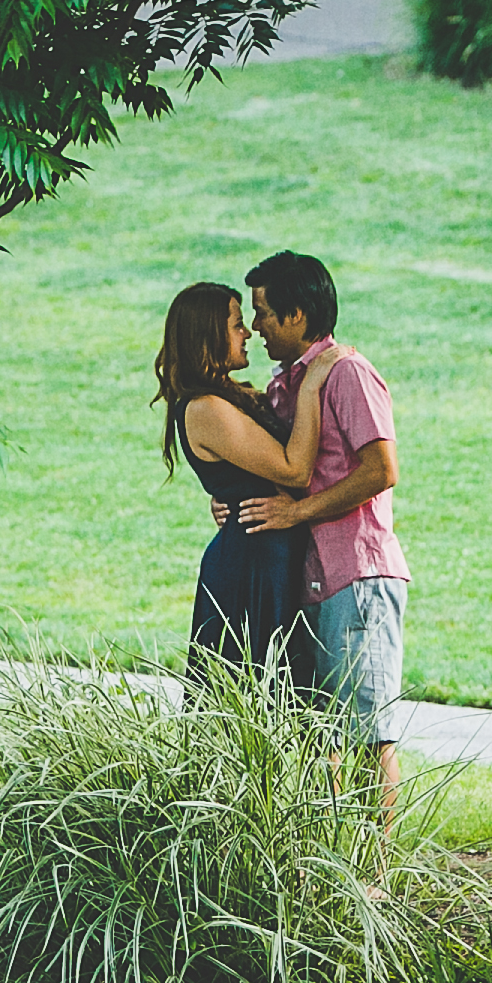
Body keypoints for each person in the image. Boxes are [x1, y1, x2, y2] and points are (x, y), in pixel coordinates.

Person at [225, 251, 410, 816]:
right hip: (309, 580)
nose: (255, 326)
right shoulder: (291, 383)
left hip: (357, 577)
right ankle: (333, 870)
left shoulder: (347, 373)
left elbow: (381, 470)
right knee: (323, 737)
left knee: (369, 737)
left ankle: (375, 875)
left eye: (262, 313)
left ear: (297, 315)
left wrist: (295, 514)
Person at [152, 279, 321, 686]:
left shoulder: (224, 399)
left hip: (268, 556)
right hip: (252, 568)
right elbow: (294, 469)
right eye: (236, 324)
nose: (247, 333)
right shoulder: (205, 407)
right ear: (208, 335)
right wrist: (315, 380)